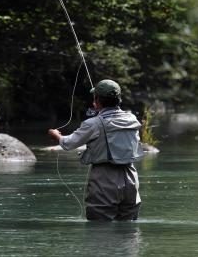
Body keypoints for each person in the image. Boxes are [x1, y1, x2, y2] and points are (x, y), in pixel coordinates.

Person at [48, 79, 142, 221]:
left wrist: (56, 136)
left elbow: (69, 143)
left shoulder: (93, 124)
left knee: (99, 226)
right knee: (128, 227)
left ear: (97, 100)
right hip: (131, 177)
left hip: (105, 178)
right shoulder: (132, 118)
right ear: (119, 99)